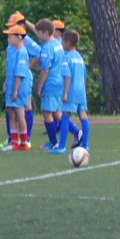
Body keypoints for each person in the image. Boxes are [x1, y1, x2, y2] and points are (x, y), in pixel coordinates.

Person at [1, 16, 35, 152]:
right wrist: (6, 82)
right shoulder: (12, 50)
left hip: (19, 87)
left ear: (19, 37)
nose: (9, 38)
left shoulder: (22, 52)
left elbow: (20, 74)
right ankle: (14, 141)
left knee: (20, 113)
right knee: (11, 112)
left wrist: (15, 89)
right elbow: (10, 70)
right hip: (11, 84)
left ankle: (24, 141)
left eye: (11, 36)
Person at [36, 19, 69, 152]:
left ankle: (54, 142)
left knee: (47, 112)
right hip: (60, 81)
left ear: (45, 32)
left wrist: (39, 87)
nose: (38, 35)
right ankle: (77, 133)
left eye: (39, 32)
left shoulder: (47, 47)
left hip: (51, 82)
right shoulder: (58, 44)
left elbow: (45, 70)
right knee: (57, 112)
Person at [60, 27, 91, 155]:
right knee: (83, 116)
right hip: (81, 91)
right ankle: (85, 145)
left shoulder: (66, 58)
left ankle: (61, 146)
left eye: (62, 41)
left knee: (65, 116)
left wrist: (65, 93)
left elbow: (67, 76)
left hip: (71, 91)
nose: (61, 44)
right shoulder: (79, 57)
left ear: (67, 42)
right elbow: (84, 75)